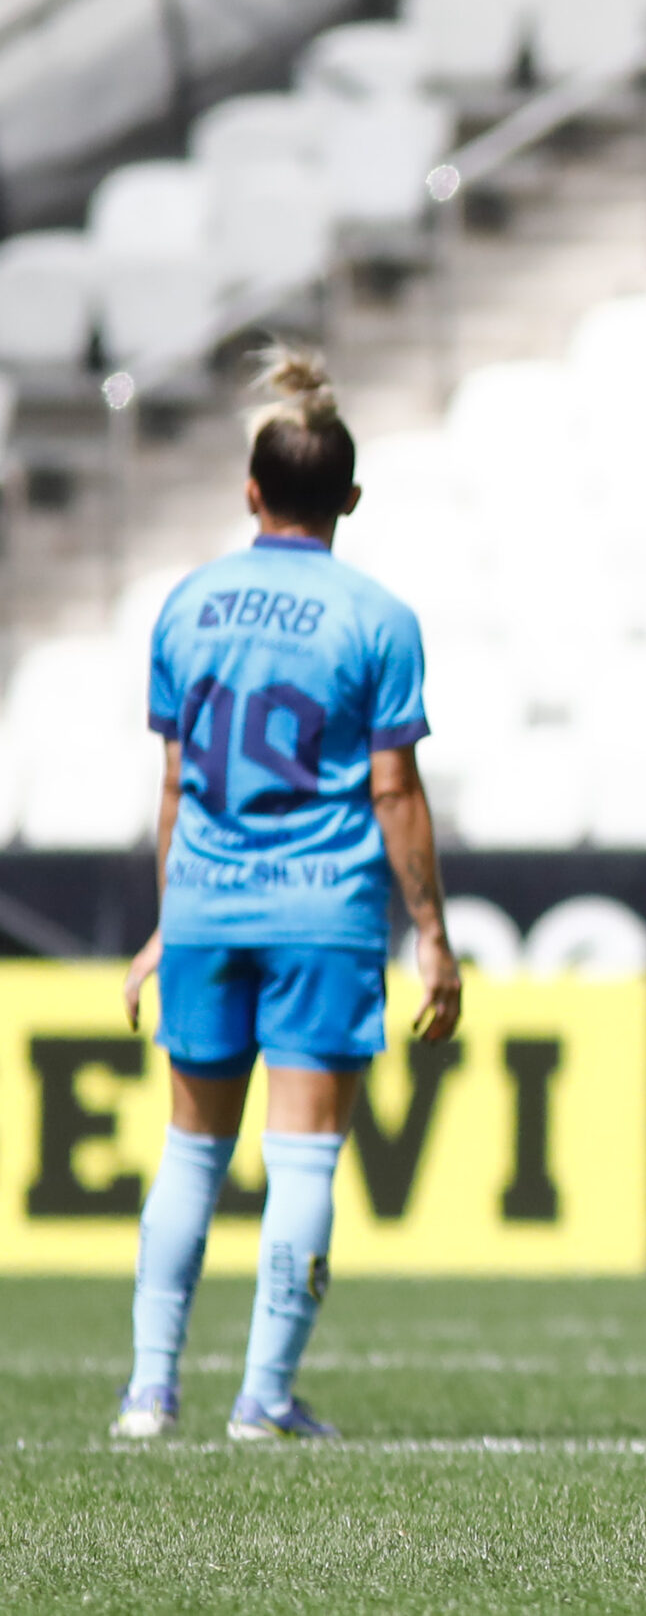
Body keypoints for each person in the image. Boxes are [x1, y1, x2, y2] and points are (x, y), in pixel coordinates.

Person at [113, 349, 462, 1443]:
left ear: (251, 492)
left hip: (210, 908)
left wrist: (168, 924)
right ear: (349, 498)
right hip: (322, 915)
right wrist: (434, 939)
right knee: (302, 1159)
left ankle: (147, 1390)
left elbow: (175, 784)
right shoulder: (379, 618)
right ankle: (262, 1396)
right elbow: (393, 786)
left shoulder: (188, 604)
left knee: (189, 1155)